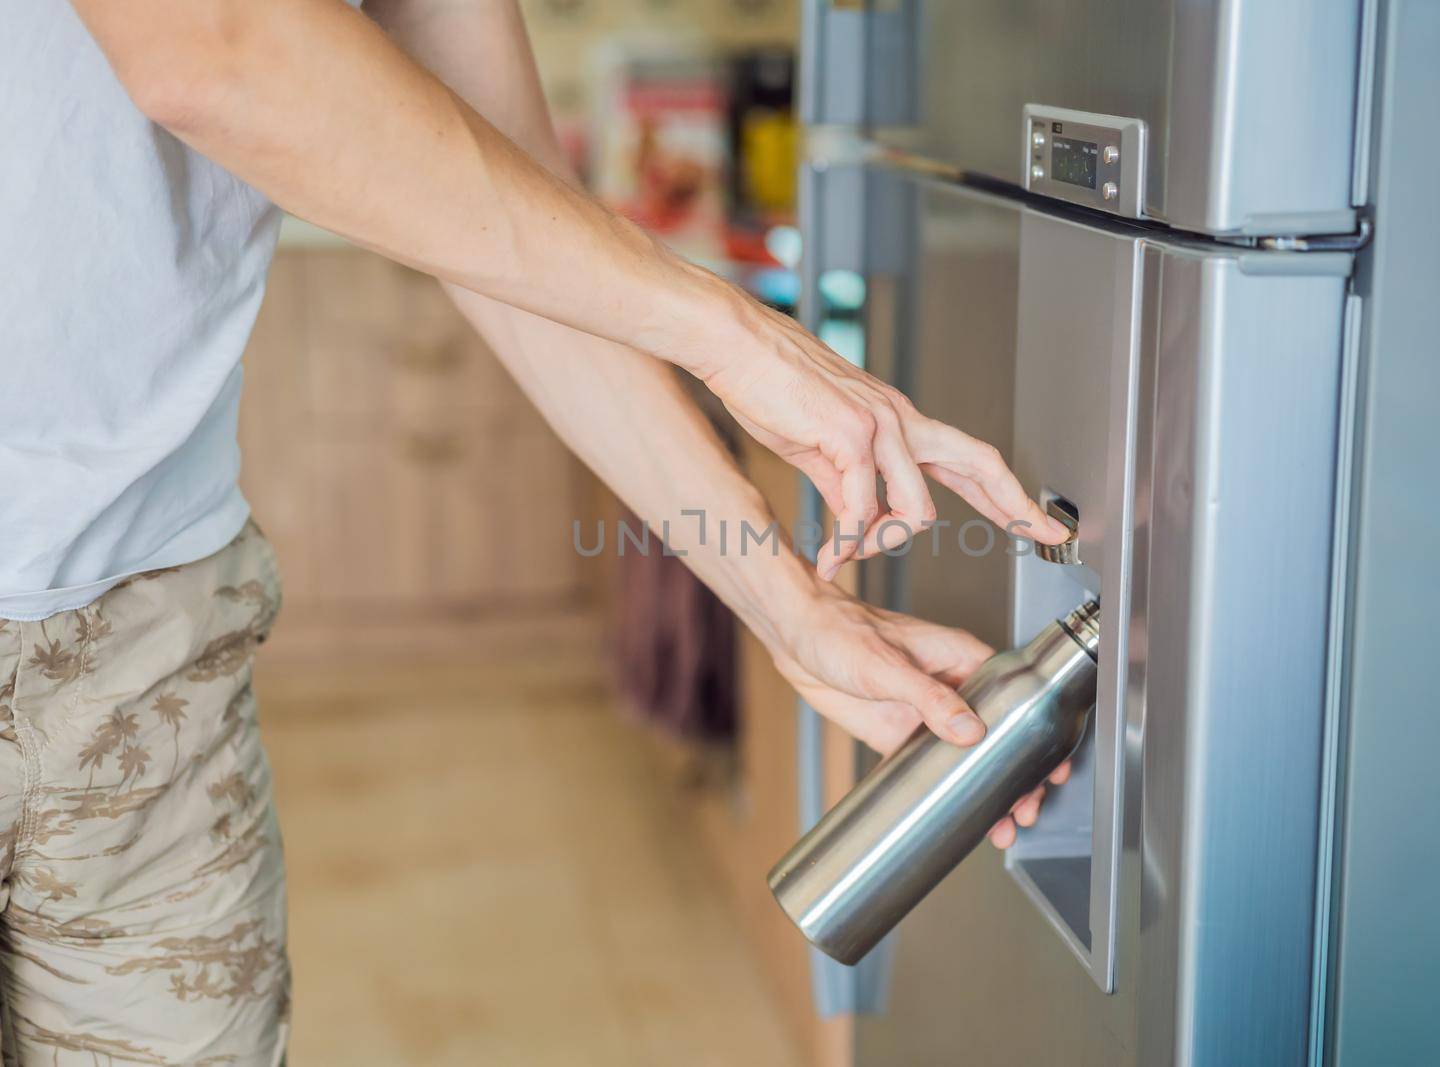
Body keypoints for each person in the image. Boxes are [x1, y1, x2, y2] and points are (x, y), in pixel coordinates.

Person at [0, 1, 1075, 1061]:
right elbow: (215, 42)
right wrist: (732, 335)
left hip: (159, 626)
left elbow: (509, 218)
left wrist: (789, 606)